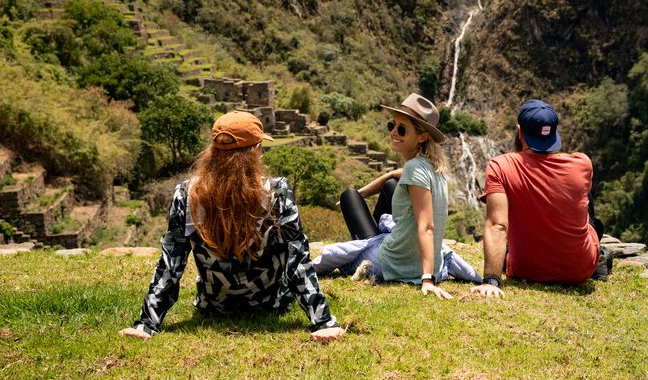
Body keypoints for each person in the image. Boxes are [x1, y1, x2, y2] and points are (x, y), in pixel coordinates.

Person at [119, 111, 345, 342]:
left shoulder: (187, 195)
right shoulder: (277, 193)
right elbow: (297, 261)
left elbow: (170, 265)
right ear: (255, 150)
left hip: (214, 305)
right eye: (260, 147)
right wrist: (323, 322)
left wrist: (146, 324)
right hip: (272, 304)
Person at [312, 93, 481, 299]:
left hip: (394, 264)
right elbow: (394, 175)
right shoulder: (433, 167)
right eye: (391, 126)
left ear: (422, 136)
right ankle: (373, 237)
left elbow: (427, 226)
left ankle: (369, 242)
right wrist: (364, 193)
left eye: (401, 129)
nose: (393, 132)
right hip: (420, 259)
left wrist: (427, 279)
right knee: (390, 184)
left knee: (349, 196)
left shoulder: (414, 168)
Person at [471, 99, 610, 298]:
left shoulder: (500, 166)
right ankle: (598, 259)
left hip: (524, 269)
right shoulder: (582, 163)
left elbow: (497, 225)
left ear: (520, 132)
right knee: (585, 197)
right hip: (580, 270)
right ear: (554, 132)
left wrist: (492, 280)